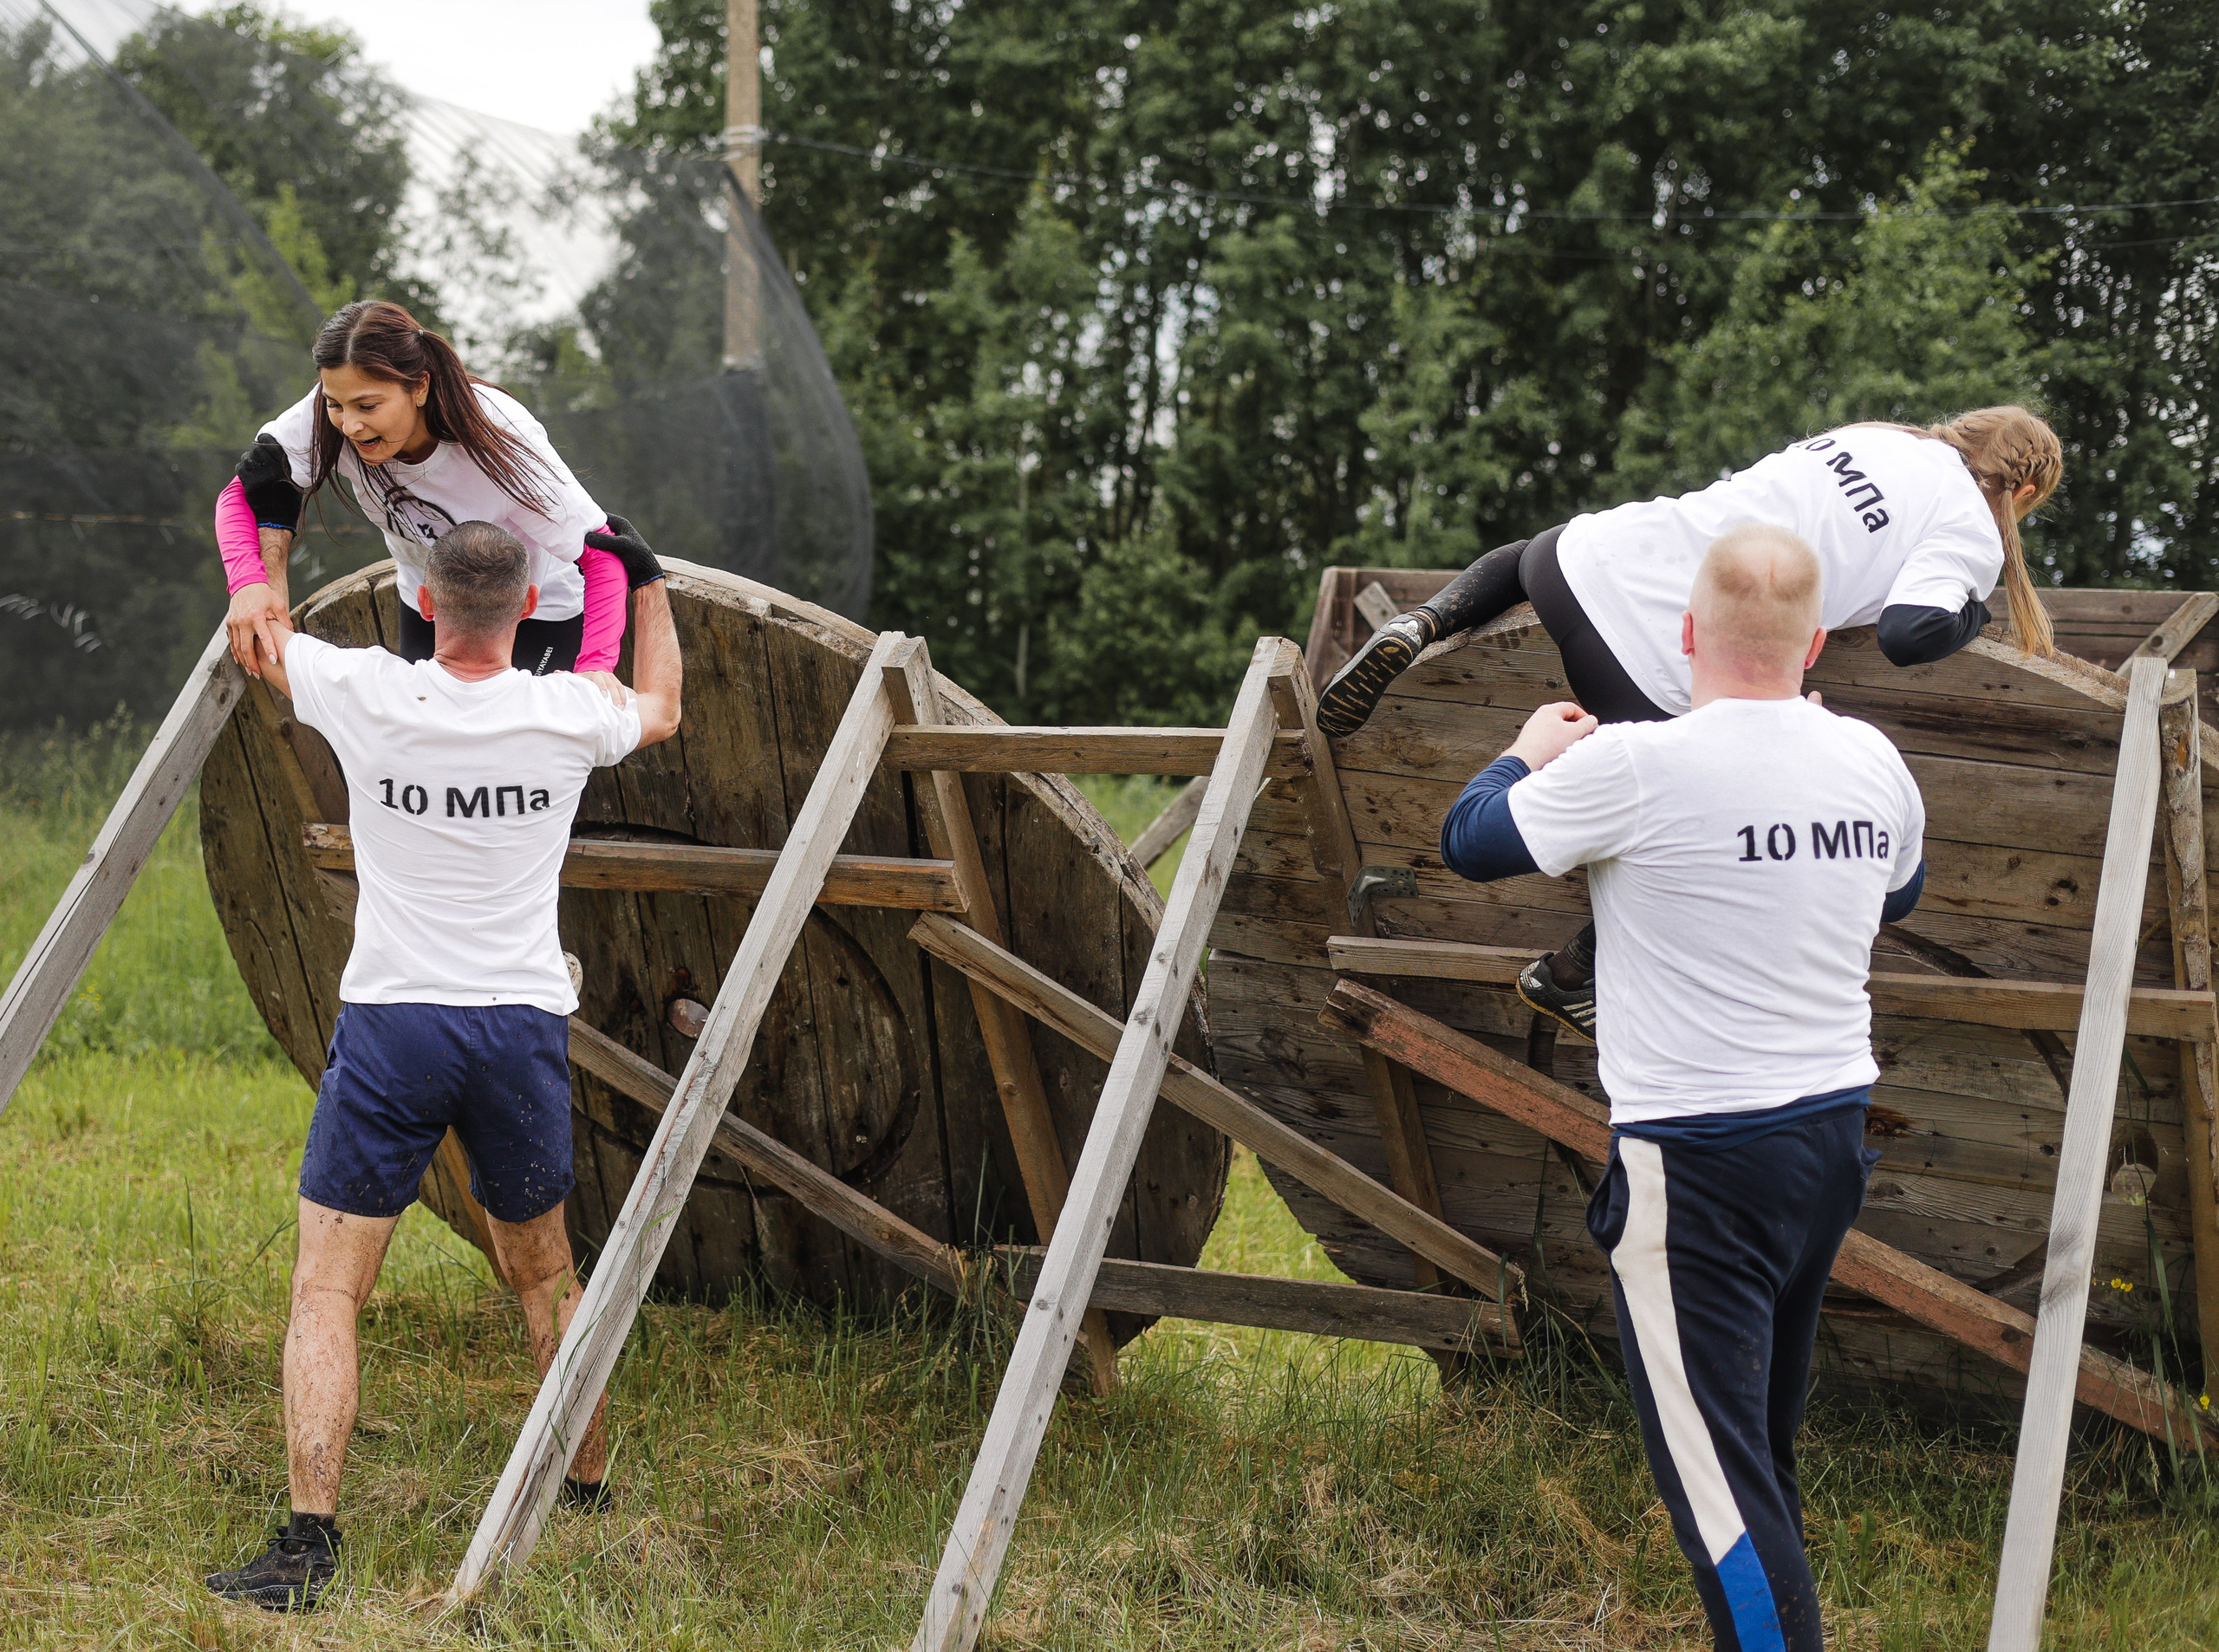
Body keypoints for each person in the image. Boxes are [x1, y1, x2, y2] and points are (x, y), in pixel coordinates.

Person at [1440, 525, 1924, 1652]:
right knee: (1755, 1452)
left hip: (1699, 1167)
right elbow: (1895, 893)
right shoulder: (1871, 761)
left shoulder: (1637, 767)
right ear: (1812, 644)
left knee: (1721, 1501)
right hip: (1828, 1144)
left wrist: (1525, 752)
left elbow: (1472, 842)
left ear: (1690, 632)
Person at [203, 520, 681, 1612]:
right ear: (525, 610)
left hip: (395, 1022)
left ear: (422, 602)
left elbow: (261, 639)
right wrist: (644, 584)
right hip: (515, 1025)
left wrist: (259, 546)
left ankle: (309, 1543)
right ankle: (588, 1487)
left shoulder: (365, 688)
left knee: (329, 1286)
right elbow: (664, 708)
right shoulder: (569, 709)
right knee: (544, 1274)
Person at [1319, 406, 2058, 1041]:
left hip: (1582, 563)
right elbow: (1908, 632)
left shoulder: (1877, 438)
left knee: (1522, 555)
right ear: (2022, 489)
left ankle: (1420, 624)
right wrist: (1976, 607)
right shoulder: (1970, 527)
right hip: (1654, 663)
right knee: (1701, 830)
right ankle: (1572, 974)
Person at [214, 298, 662, 682]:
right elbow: (243, 493)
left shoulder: (499, 438)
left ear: (420, 387)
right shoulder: (325, 417)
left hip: (533, 610)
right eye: (335, 404)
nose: (350, 424)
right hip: (430, 602)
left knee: (510, 750)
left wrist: (595, 669)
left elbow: (602, 552)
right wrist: (250, 585)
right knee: (427, 740)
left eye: (368, 406)